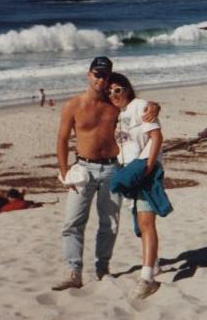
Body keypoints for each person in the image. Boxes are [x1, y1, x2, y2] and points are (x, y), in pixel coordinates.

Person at [52, 56, 160, 291]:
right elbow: (61, 139)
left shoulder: (114, 102)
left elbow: (135, 104)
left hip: (113, 168)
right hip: (83, 169)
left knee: (109, 223)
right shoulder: (73, 105)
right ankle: (74, 272)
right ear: (88, 74)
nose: (101, 80)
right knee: (73, 222)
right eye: (97, 74)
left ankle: (102, 269)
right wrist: (64, 172)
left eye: (105, 75)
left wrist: (154, 105)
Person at [108, 72, 165, 300]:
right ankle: (155, 262)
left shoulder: (141, 106)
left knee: (146, 221)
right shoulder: (116, 114)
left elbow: (157, 137)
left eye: (117, 90)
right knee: (140, 224)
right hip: (127, 173)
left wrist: (148, 167)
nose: (113, 95)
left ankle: (147, 278)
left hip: (143, 170)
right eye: (109, 92)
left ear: (127, 89)